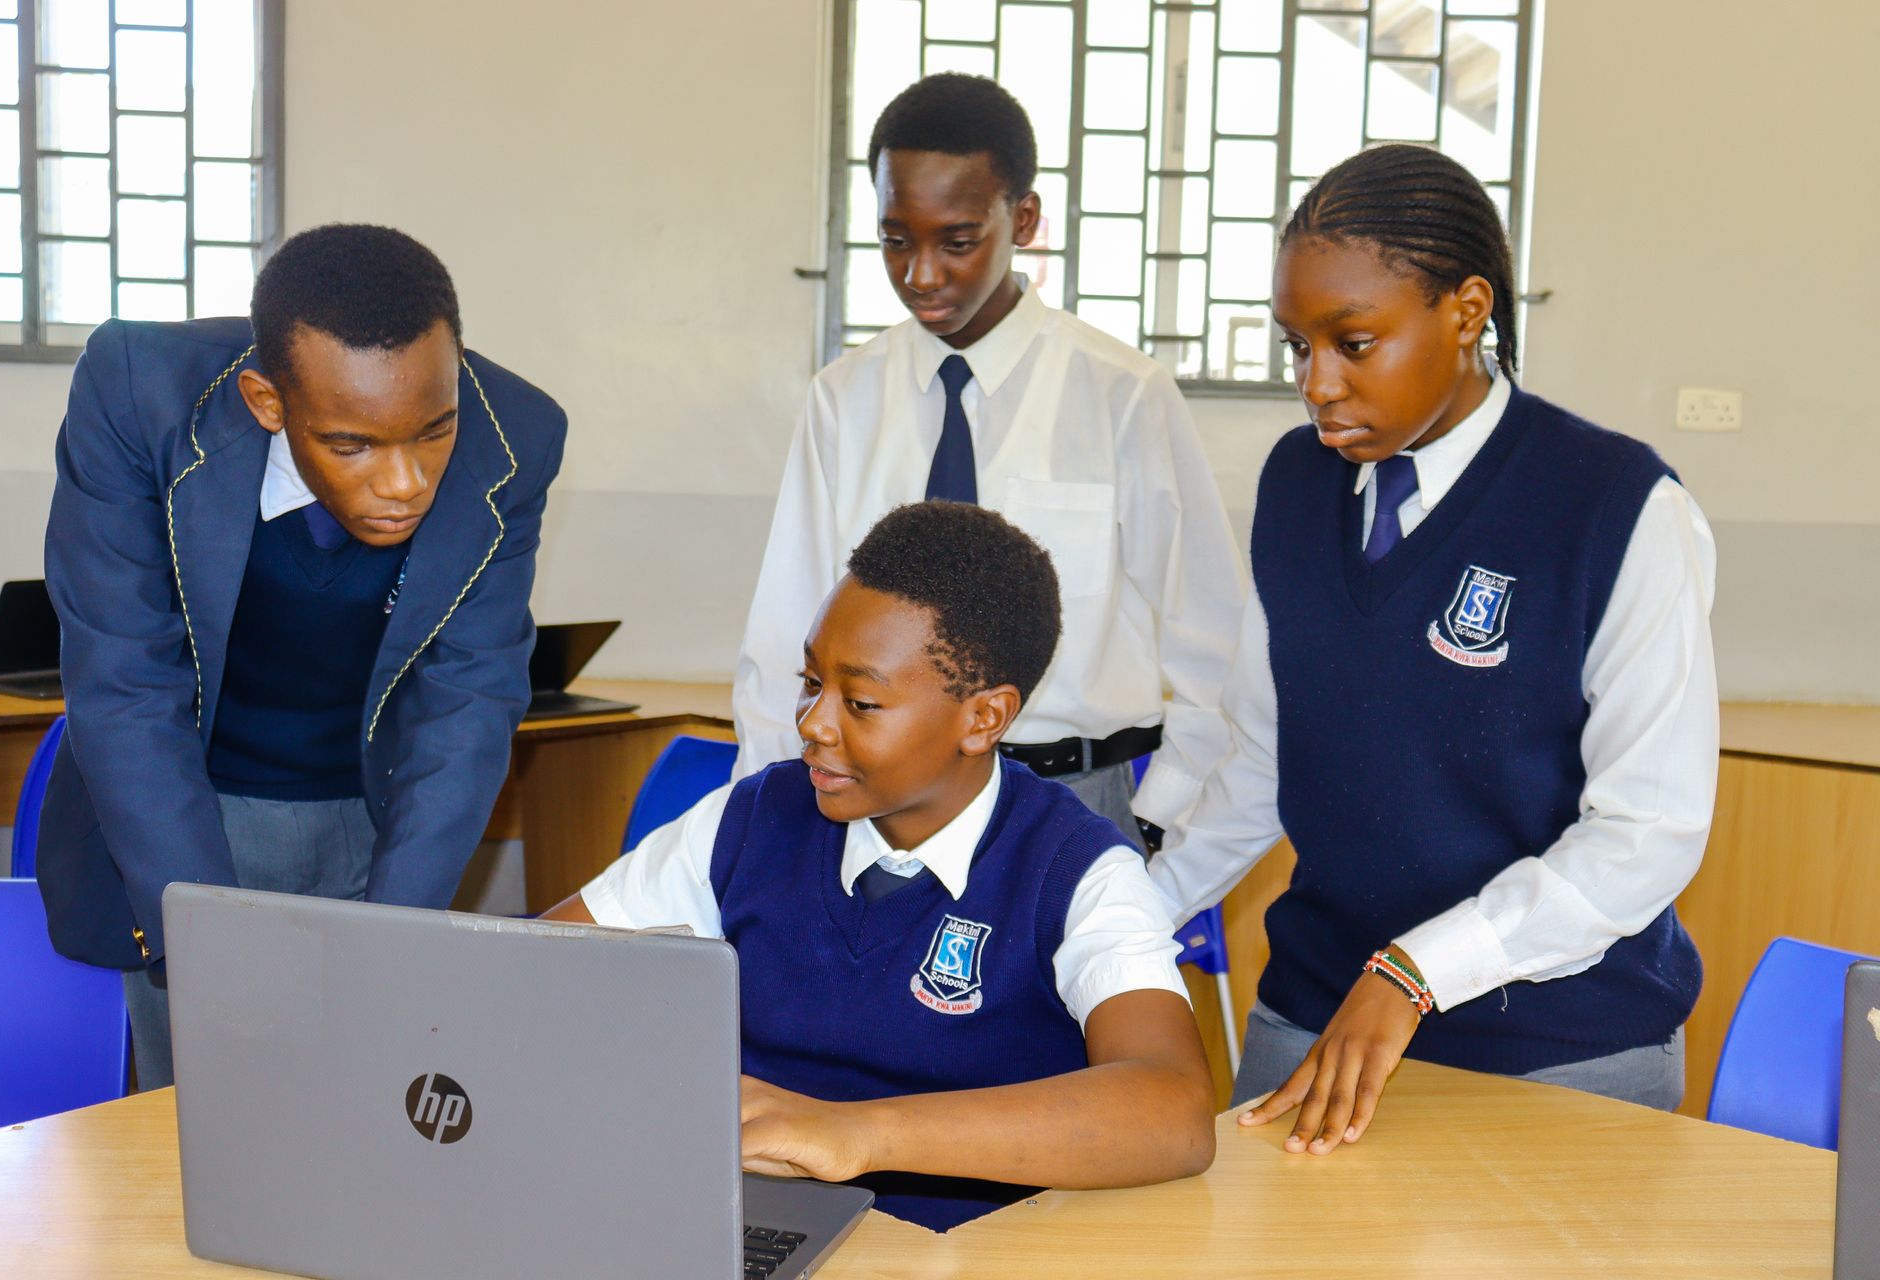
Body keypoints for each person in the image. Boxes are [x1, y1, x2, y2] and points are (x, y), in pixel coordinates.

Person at [1147, 143, 1717, 1155]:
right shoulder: (1296, 483)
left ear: (1465, 311)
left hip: (1561, 1047)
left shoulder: (1618, 508)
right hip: (1313, 1025)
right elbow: (1262, 760)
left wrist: (1417, 969)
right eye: (1296, 346)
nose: (1316, 385)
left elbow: (1649, 832)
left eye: (1353, 342)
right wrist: (1130, 912)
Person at [547, 501, 1213, 1231]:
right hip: (744, 1229)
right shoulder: (752, 819)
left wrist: (855, 1132)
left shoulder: (1075, 871)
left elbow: (1172, 1111)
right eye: (810, 682)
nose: (813, 724)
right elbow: (530, 971)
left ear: (984, 718)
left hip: (964, 1253)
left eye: (860, 702)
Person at [37, 224, 568, 1089]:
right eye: (353, 444)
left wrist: (393, 943)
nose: (406, 483)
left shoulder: (517, 436)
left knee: (366, 1115)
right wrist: (212, 947)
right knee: (198, 1130)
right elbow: (126, 685)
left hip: (378, 821)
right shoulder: (139, 393)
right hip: (182, 817)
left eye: (433, 432)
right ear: (267, 401)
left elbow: (468, 701)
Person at [732, 73, 1246, 853]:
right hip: (881, 805)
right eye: (896, 239)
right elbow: (784, 636)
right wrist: (770, 826)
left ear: (1025, 218)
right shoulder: (843, 400)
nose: (922, 274)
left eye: (958, 241)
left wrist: (1156, 811)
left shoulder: (1121, 395)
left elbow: (1214, 636)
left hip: (1068, 797)